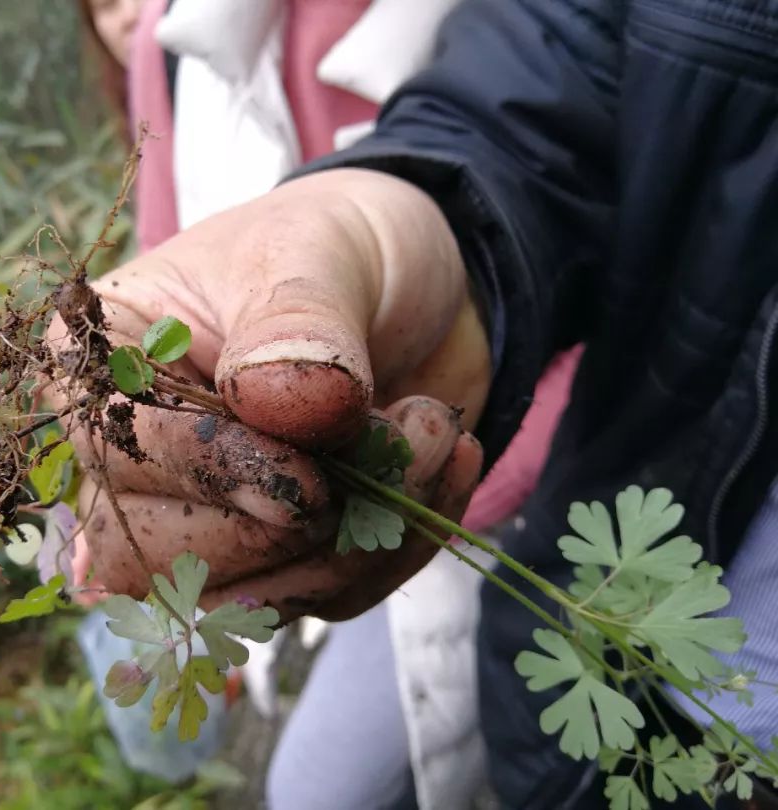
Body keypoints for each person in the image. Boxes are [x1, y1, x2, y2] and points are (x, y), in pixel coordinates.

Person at [50, 0, 778, 807]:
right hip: (570, 587)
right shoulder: (173, 56)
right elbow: (543, 101)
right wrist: (406, 217)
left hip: (517, 502)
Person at [120, 2, 580, 807]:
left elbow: (549, 166)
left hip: (498, 499)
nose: (120, 12)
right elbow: (162, 259)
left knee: (322, 788)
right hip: (324, 509)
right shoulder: (167, 47)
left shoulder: (493, 33)